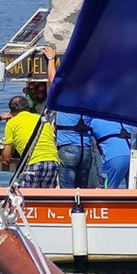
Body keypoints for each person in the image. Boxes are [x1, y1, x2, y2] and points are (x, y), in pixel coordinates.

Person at [43, 46, 93, 188]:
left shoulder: (67, 96)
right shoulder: (90, 99)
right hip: (86, 149)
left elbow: (53, 80)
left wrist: (51, 59)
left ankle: (69, 209)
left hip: (68, 147)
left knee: (67, 189)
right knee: (82, 189)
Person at [1, 95, 59, 187]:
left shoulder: (11, 123)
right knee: (45, 198)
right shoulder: (42, 120)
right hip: (52, 162)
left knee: (26, 196)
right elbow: (52, 141)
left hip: (33, 163)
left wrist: (3, 159)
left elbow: (6, 157)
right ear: (27, 108)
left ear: (11, 111)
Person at [89, 118, 132, 188]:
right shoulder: (126, 121)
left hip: (115, 158)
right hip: (133, 158)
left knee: (107, 190)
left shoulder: (95, 122)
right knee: (132, 189)